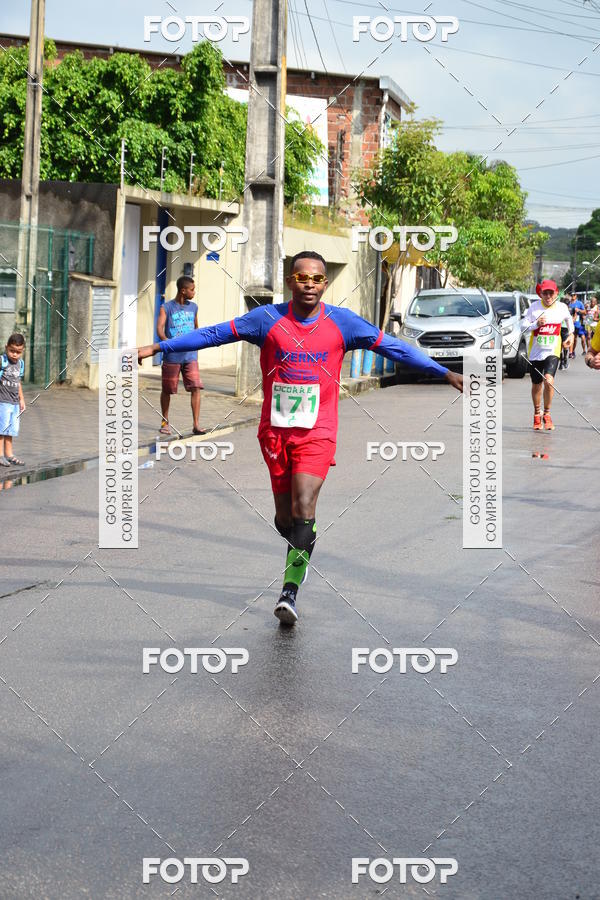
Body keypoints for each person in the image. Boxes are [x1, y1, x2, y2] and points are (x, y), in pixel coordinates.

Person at [137, 251, 463, 626]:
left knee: (304, 503)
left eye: (317, 279)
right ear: (291, 281)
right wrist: (158, 347)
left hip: (318, 431)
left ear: (325, 283)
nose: (310, 285)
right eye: (302, 278)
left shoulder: (343, 322)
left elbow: (393, 346)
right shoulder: (266, 319)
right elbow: (213, 334)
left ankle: (289, 591)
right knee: (286, 519)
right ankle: (303, 542)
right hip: (275, 433)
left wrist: (442, 372)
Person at [156, 275, 206, 436]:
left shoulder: (194, 307)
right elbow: (160, 328)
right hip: (172, 356)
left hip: (190, 356)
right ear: (183, 291)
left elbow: (196, 327)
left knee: (196, 387)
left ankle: (196, 424)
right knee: (167, 390)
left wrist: (199, 342)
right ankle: (165, 422)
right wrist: (166, 342)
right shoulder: (166, 307)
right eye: (192, 290)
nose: (194, 292)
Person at [520, 280, 573, 431]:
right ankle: (537, 413)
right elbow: (523, 326)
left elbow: (569, 320)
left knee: (549, 381)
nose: (548, 296)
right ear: (541, 294)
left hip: (552, 351)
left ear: (556, 294)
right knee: (536, 384)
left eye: (551, 293)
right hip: (535, 353)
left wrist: (571, 335)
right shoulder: (534, 307)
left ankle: (547, 413)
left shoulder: (562, 308)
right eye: (545, 293)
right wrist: (536, 324)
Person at [0, 333, 27, 467]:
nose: (15, 354)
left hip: (14, 402)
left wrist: (21, 399)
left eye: (18, 352)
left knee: (11, 430)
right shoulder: (2, 361)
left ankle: (9, 455)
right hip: (3, 402)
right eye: (12, 351)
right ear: (6, 347)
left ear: (23, 350)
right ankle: (0, 455)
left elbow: (18, 382)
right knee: (1, 429)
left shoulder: (20, 364)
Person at [569, 292, 586, 356]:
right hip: (568, 323)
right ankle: (568, 351)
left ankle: (572, 351)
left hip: (576, 323)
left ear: (576, 296)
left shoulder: (579, 303)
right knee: (568, 338)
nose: (572, 296)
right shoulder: (568, 303)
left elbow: (585, 312)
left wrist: (579, 310)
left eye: (574, 295)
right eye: (571, 295)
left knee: (574, 338)